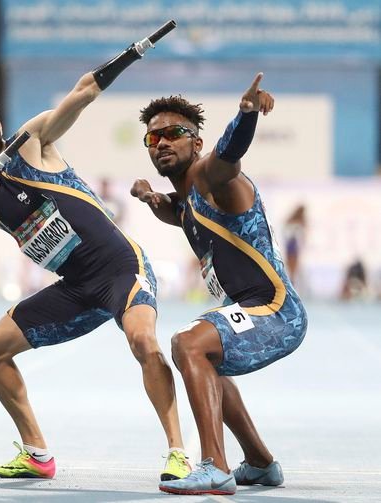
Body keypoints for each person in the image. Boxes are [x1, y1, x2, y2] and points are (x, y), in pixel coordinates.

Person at [0, 34, 190, 482]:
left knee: (143, 342)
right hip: (76, 290)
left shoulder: (32, 143)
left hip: (121, 270)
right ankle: (37, 454)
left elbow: (83, 91)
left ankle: (179, 454)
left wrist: (132, 53)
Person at [131, 73, 308, 495]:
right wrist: (151, 198)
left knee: (188, 343)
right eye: (153, 138)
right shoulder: (187, 202)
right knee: (205, 358)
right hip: (250, 308)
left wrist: (246, 115)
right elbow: (176, 211)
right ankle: (260, 464)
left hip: (275, 311)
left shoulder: (211, 177)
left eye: (174, 134)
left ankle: (215, 467)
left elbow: (228, 155)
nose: (162, 142)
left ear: (196, 143)